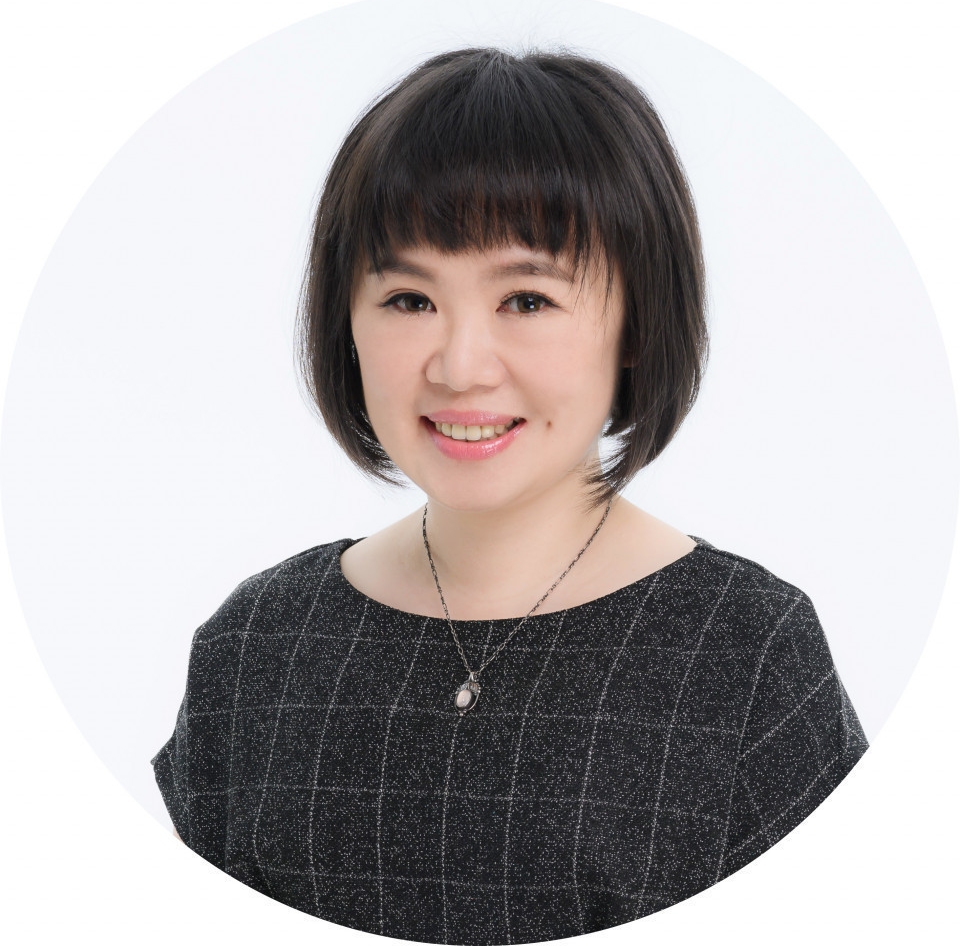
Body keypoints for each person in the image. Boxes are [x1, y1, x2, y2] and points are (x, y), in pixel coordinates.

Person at [152, 47, 868, 944]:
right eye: (408, 299)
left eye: (526, 300)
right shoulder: (257, 645)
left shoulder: (747, 653)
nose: (460, 366)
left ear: (637, 323)